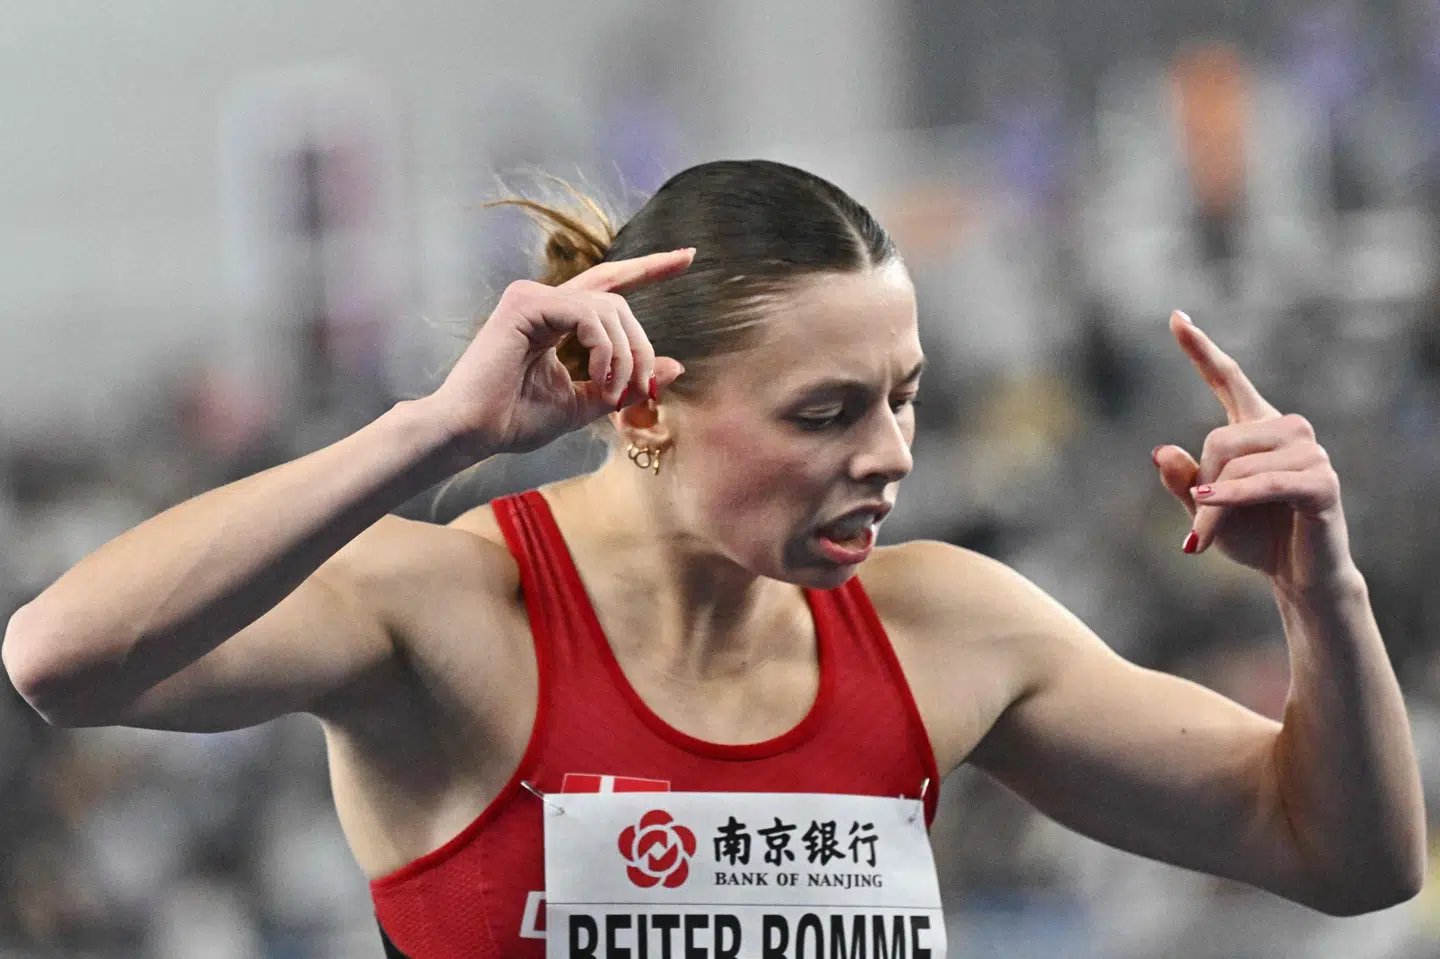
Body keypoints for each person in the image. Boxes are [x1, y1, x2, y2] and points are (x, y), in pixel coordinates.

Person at [0, 159, 1425, 959]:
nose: (894, 454)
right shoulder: (447, 610)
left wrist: (1325, 596)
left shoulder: (950, 628)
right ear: (646, 408)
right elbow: (59, 657)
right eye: (827, 412)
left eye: (905, 392)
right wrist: (434, 433)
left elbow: (1344, 857)